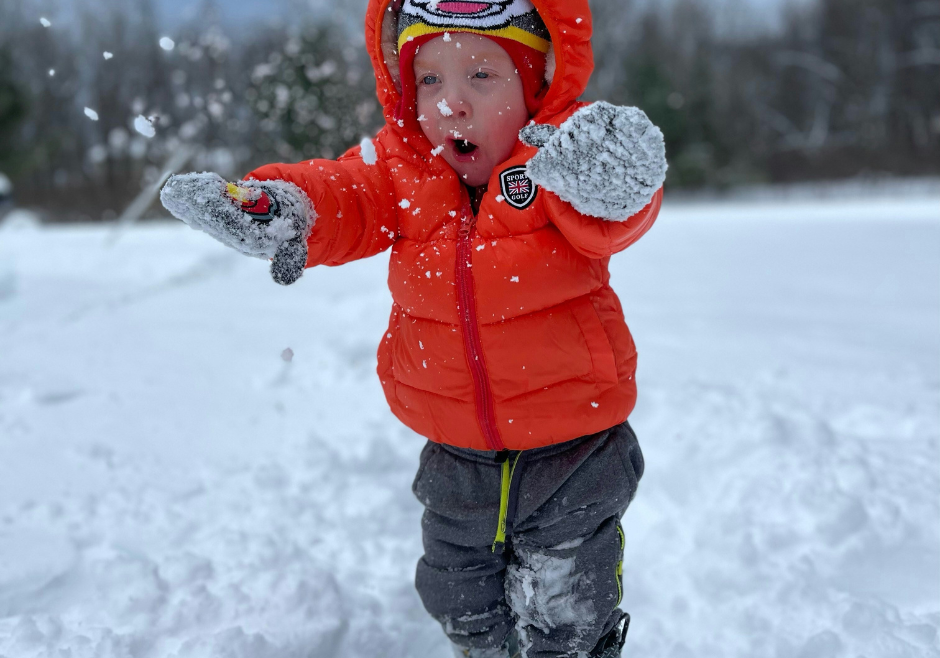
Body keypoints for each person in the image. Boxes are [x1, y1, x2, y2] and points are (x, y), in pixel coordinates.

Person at [160, 1, 667, 656]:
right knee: (457, 591)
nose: (451, 104)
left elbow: (618, 217)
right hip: (454, 447)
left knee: (570, 601)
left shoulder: (560, 165)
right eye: (430, 80)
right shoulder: (401, 168)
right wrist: (284, 207)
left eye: (481, 76)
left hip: (576, 443)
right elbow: (342, 192)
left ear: (539, 80)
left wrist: (614, 173)